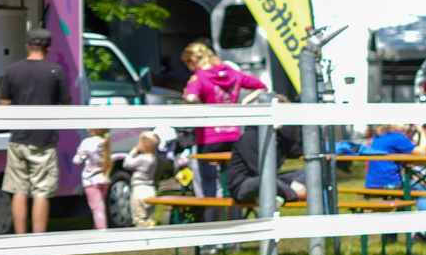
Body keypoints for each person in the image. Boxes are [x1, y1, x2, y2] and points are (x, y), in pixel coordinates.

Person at [0, 27, 69, 234]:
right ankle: (38, 238)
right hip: (45, 138)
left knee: (19, 190)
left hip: (19, 137)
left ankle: (20, 238)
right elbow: (67, 100)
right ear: (48, 48)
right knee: (41, 191)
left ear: (28, 46)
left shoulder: (13, 69)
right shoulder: (55, 71)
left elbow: (4, 102)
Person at [181, 42, 267, 201]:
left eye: (188, 64)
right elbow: (261, 86)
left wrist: (201, 108)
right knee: (233, 180)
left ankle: (213, 221)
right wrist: (245, 102)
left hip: (209, 136)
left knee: (209, 186)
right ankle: (236, 219)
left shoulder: (199, 76)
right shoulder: (232, 73)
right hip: (233, 135)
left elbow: (190, 97)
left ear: (193, 59)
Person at [222, 116, 306, 207]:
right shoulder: (249, 137)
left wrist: (297, 129)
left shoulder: (279, 137)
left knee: (310, 174)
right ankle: (293, 194)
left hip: (274, 179)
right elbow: (260, 172)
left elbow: (299, 150)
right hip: (244, 184)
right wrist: (291, 184)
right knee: (263, 182)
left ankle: (279, 195)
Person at [117, 130, 167, 226]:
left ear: (145, 145)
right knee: (149, 218)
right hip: (150, 190)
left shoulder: (142, 159)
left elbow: (127, 164)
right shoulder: (154, 159)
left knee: (139, 219)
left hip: (139, 190)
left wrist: (134, 150)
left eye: (139, 143)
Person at [73, 128, 112, 230]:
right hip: (104, 179)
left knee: (97, 209)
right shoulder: (105, 141)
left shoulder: (87, 142)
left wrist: (80, 155)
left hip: (90, 181)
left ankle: (101, 231)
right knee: (100, 206)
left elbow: (77, 160)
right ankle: (97, 229)